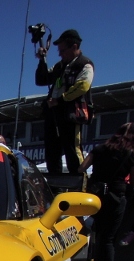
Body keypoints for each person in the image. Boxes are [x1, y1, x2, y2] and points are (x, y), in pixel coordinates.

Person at [78, 123, 134, 261]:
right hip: (116, 196)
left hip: (95, 195)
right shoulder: (132, 153)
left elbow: (82, 168)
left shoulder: (100, 148)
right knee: (108, 239)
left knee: (92, 233)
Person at [35, 29, 94, 174]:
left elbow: (83, 86)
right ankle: (54, 183)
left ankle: (79, 181)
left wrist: (60, 100)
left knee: (72, 149)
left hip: (71, 113)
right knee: (51, 149)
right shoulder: (59, 66)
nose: (60, 54)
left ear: (74, 47)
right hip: (53, 113)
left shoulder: (84, 64)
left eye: (62, 50)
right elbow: (42, 79)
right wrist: (42, 60)